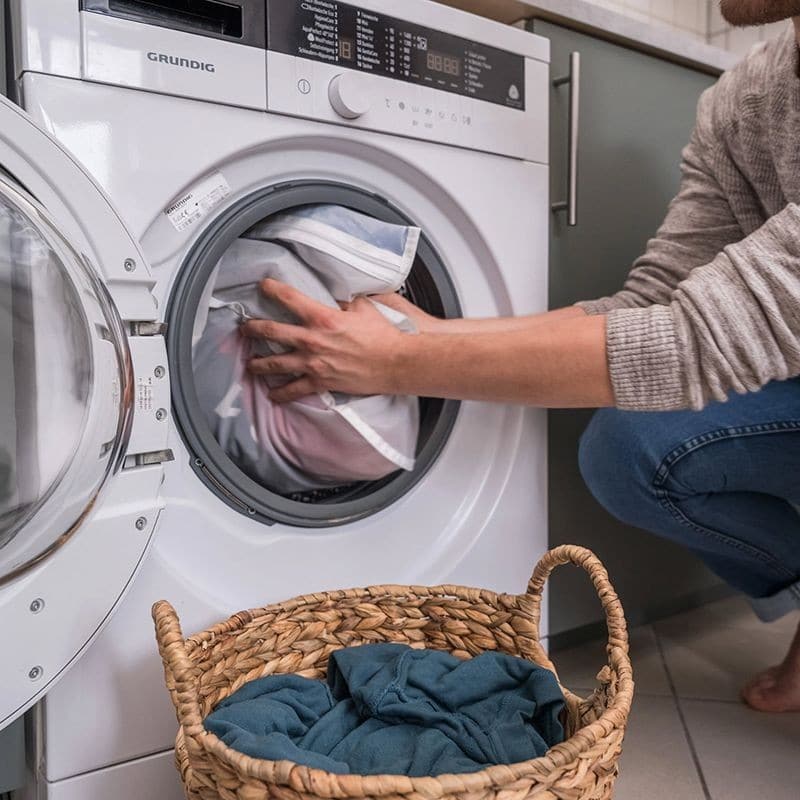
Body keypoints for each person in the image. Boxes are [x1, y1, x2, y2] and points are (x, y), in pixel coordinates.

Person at [241, 1, 800, 713]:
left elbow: (690, 342)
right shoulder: (746, 98)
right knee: (628, 449)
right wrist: (425, 338)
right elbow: (657, 299)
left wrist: (396, 366)